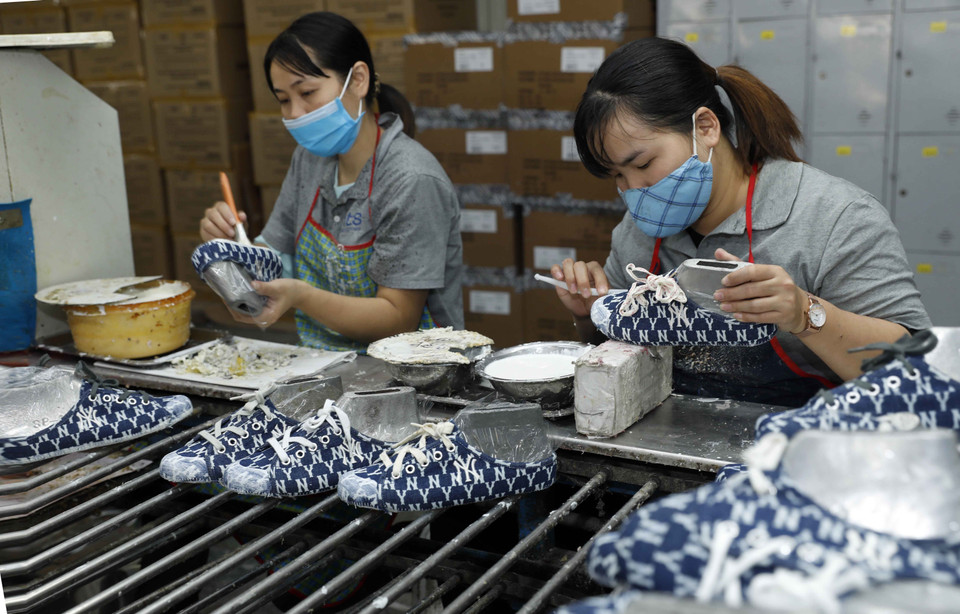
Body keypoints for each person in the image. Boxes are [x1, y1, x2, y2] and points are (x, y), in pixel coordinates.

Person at [551, 37, 931, 407]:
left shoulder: (834, 218)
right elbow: (615, 358)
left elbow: (914, 372)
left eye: (643, 164)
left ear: (705, 127)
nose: (634, 189)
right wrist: (588, 316)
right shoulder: (637, 232)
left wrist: (804, 314)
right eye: (617, 175)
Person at [199, 11, 464, 352]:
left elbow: (398, 318)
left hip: (415, 374)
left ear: (357, 81)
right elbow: (273, 259)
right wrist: (230, 246)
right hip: (324, 363)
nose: (294, 113)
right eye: (283, 100)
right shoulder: (309, 161)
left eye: (307, 92)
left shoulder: (411, 179)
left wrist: (301, 296)